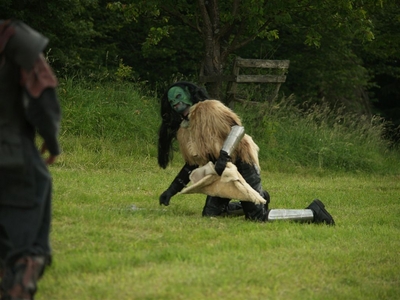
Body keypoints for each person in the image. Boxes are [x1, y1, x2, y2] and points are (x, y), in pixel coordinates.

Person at [157, 81, 334, 224]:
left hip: (242, 161)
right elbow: (191, 165)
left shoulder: (209, 108)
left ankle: (312, 212)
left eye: (178, 96)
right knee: (210, 214)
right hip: (223, 172)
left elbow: (237, 129)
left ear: (188, 95)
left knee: (257, 218)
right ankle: (260, 198)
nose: (175, 102)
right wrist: (171, 190)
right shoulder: (183, 130)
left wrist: (224, 155)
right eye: (171, 101)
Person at [0, 19, 61, 300]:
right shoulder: (13, 37)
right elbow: (42, 95)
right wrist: (51, 138)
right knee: (28, 249)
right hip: (10, 152)